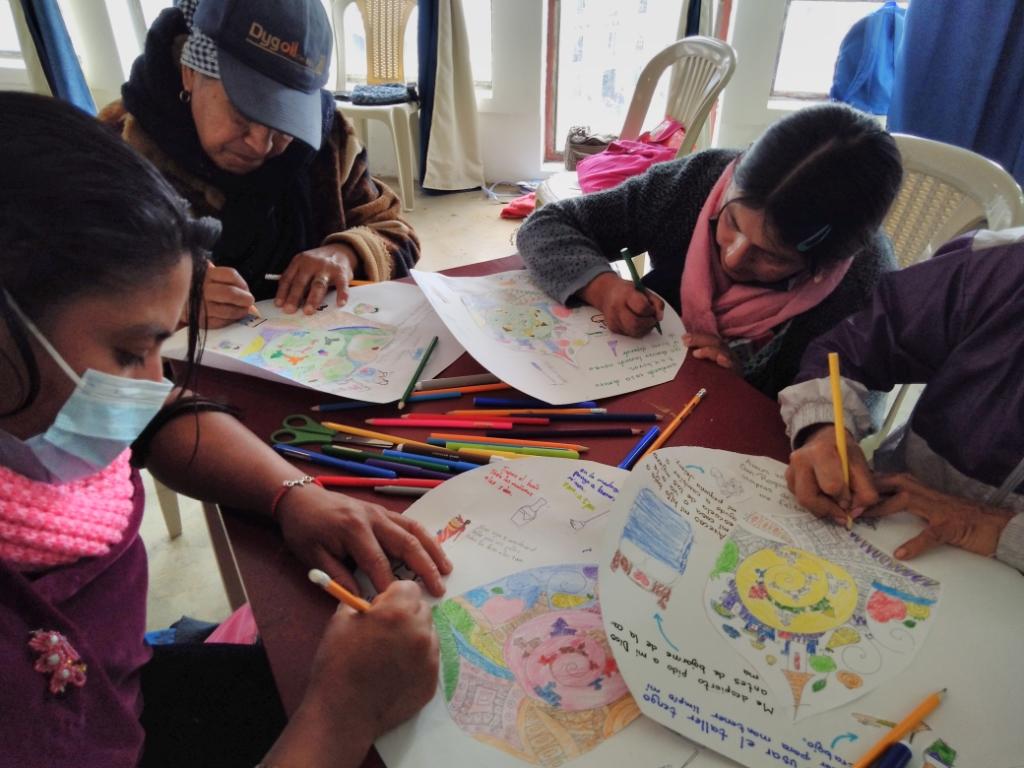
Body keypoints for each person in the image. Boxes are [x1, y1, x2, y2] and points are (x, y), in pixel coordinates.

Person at [0, 92, 449, 767]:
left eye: (162, 345)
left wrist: (293, 495)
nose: (153, 381)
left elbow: (160, 414)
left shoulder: (35, 419)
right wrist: (339, 717)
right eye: (130, 351)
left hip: (121, 690)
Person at [517, 103, 903, 397]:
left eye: (771, 256)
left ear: (826, 264)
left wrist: (739, 382)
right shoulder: (699, 181)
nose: (734, 257)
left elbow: (836, 422)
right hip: (621, 381)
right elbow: (548, 224)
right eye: (731, 222)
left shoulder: (863, 289)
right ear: (732, 179)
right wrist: (603, 287)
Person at [98, 0, 419, 328]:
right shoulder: (117, 149)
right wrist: (165, 297)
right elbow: (78, 284)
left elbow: (395, 231)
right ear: (190, 74)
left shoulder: (329, 140)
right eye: (243, 115)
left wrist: (346, 252)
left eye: (284, 125)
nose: (261, 145)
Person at [780, 228, 1024, 570]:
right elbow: (853, 348)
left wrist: (1007, 534)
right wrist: (824, 428)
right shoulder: (998, 266)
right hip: (895, 514)